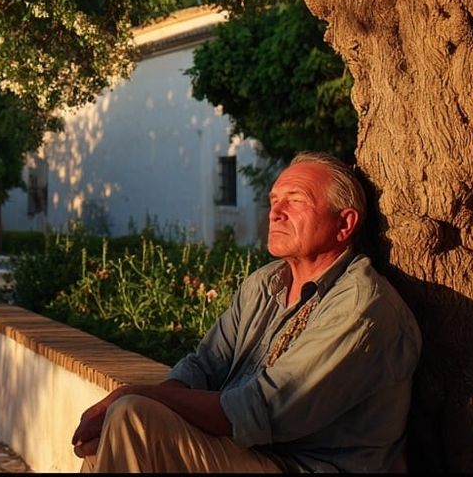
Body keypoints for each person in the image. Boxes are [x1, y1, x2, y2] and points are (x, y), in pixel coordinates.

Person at [71, 151, 421, 473]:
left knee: (133, 417)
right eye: (273, 201)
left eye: (296, 202)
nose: (275, 212)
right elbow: (204, 365)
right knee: (116, 424)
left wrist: (139, 394)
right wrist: (147, 398)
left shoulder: (362, 307)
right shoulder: (265, 284)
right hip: (247, 454)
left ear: (344, 224)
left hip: (298, 466)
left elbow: (260, 409)